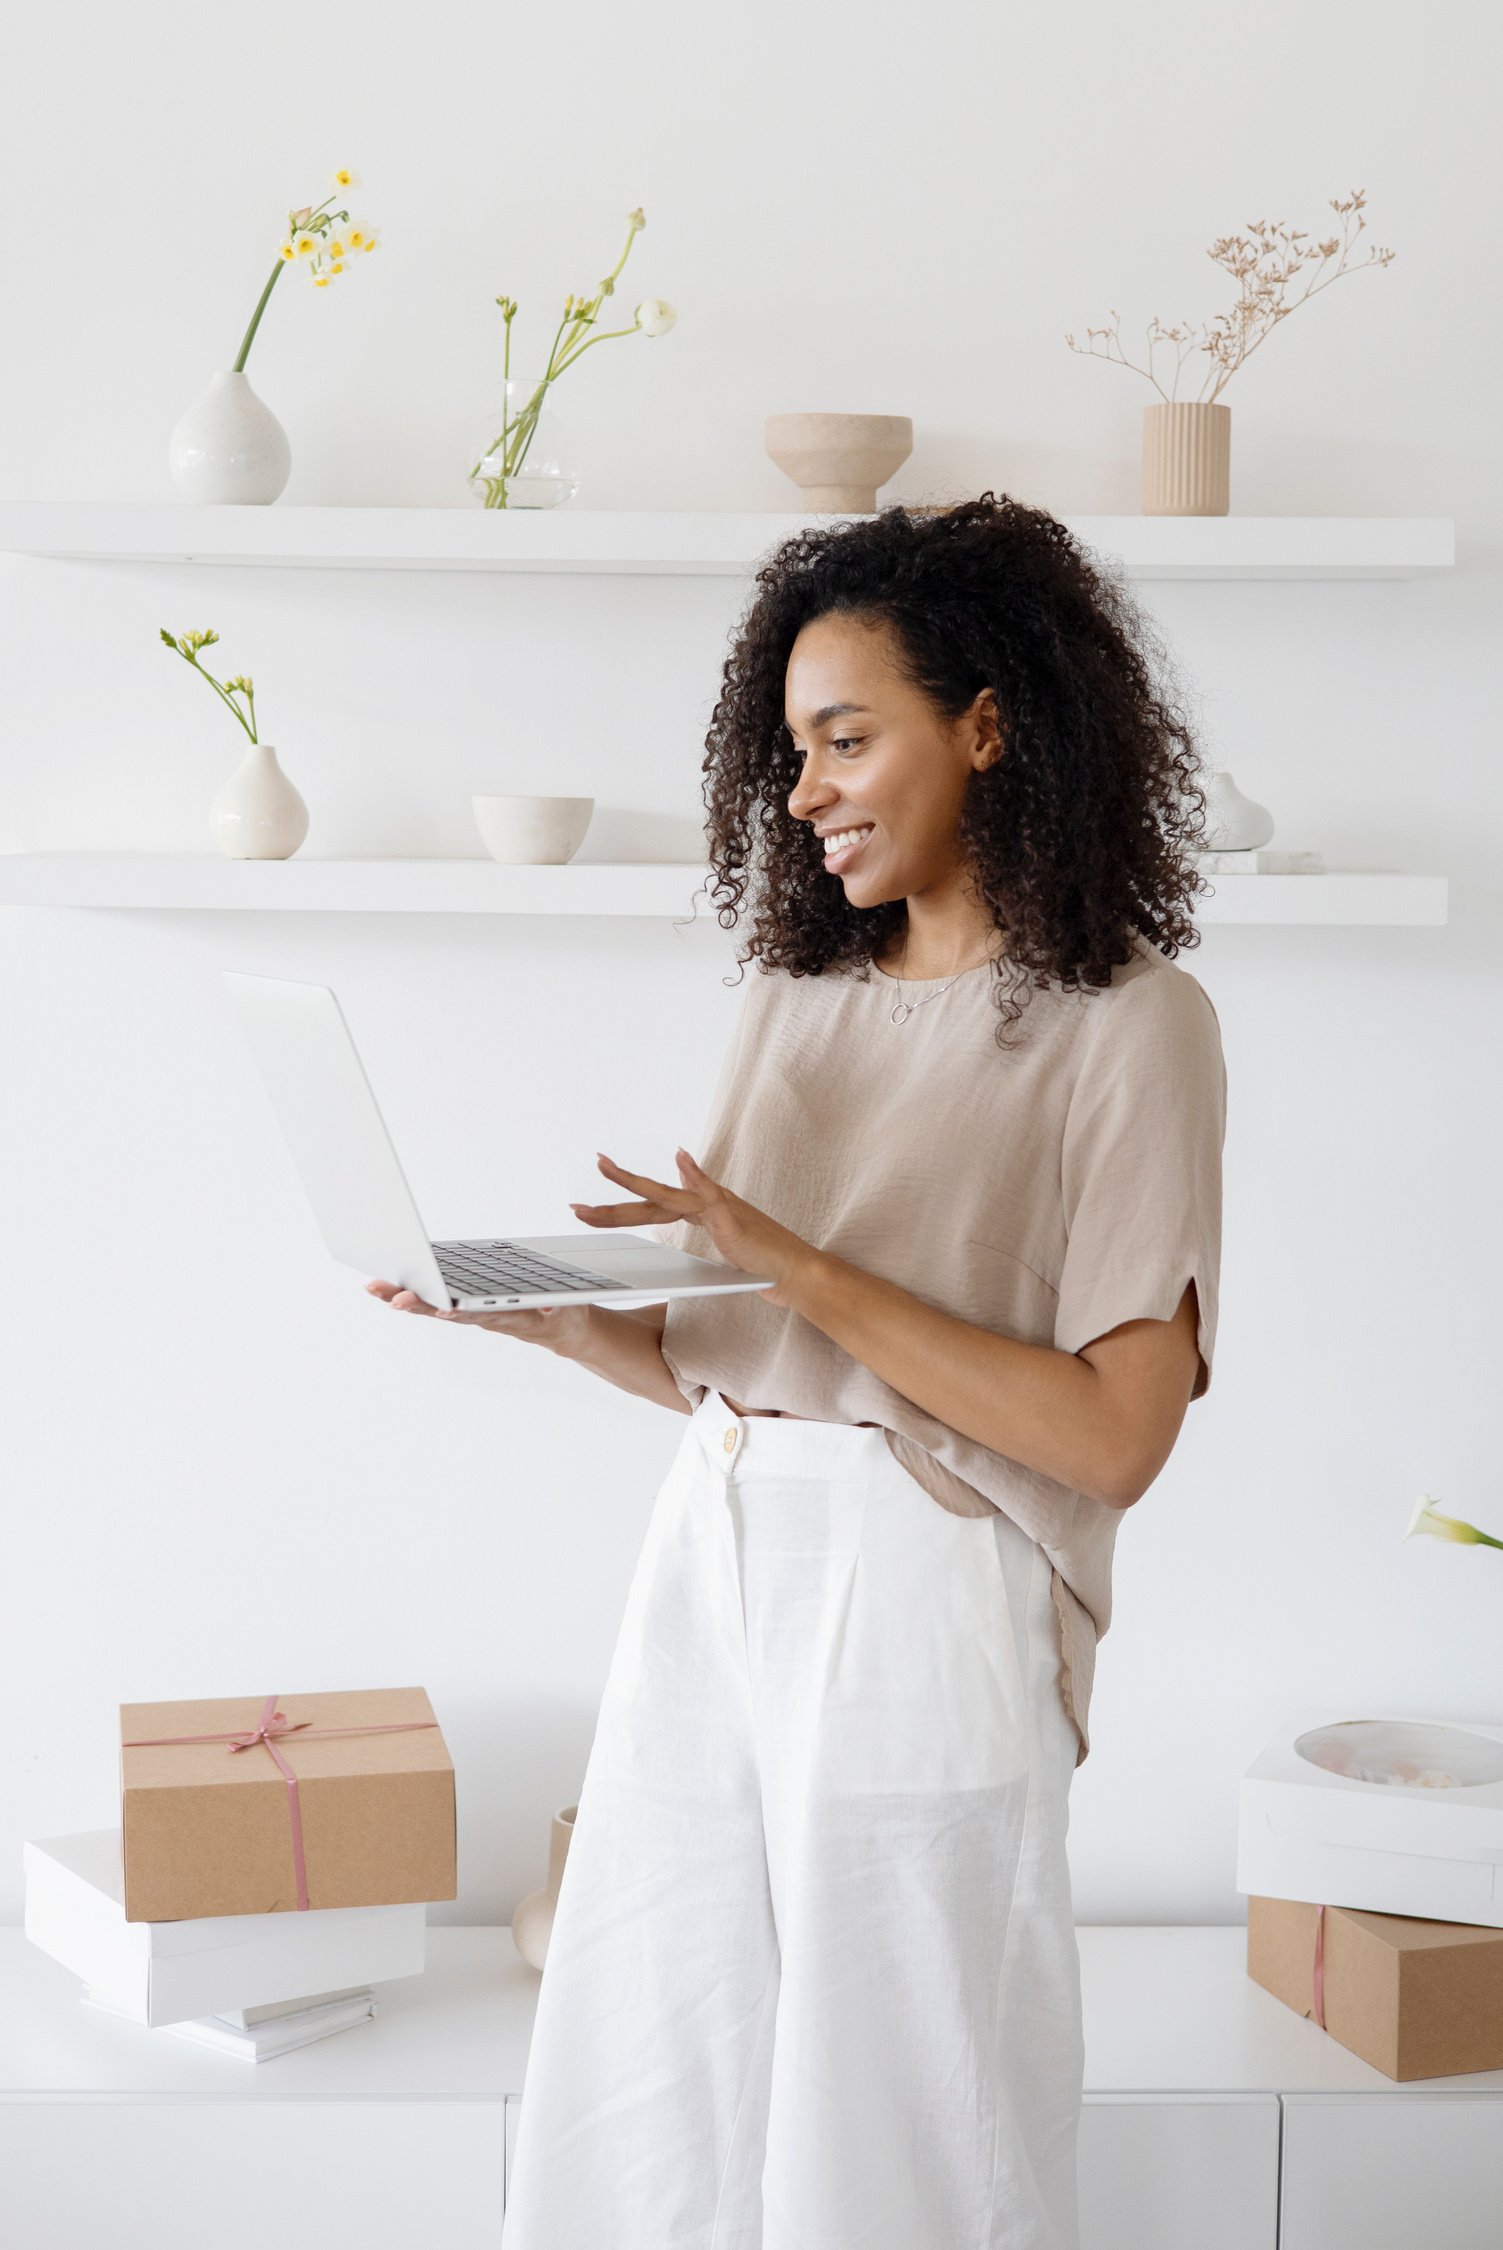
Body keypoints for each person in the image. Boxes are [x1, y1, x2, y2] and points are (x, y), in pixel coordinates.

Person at [368, 492, 1228, 2249]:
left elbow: (1116, 1434)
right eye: (791, 749)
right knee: (650, 2058)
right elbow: (739, 1364)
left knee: (907, 2110)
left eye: (847, 737)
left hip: (929, 1588)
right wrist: (547, 1311)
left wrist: (797, 1261)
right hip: (719, 1548)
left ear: (990, 726)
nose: (805, 787)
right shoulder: (795, 993)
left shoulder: (1132, 1023)